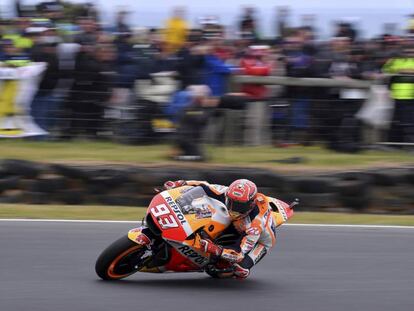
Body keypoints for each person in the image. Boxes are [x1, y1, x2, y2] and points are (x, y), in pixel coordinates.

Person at [160, 178, 278, 279]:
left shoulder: (255, 225)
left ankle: (233, 267)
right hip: (238, 221)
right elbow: (203, 185)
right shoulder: (224, 192)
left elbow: (239, 254)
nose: (233, 208)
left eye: (239, 206)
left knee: (241, 269)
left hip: (261, 239)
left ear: (250, 205)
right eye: (231, 203)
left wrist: (215, 249)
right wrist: (180, 183)